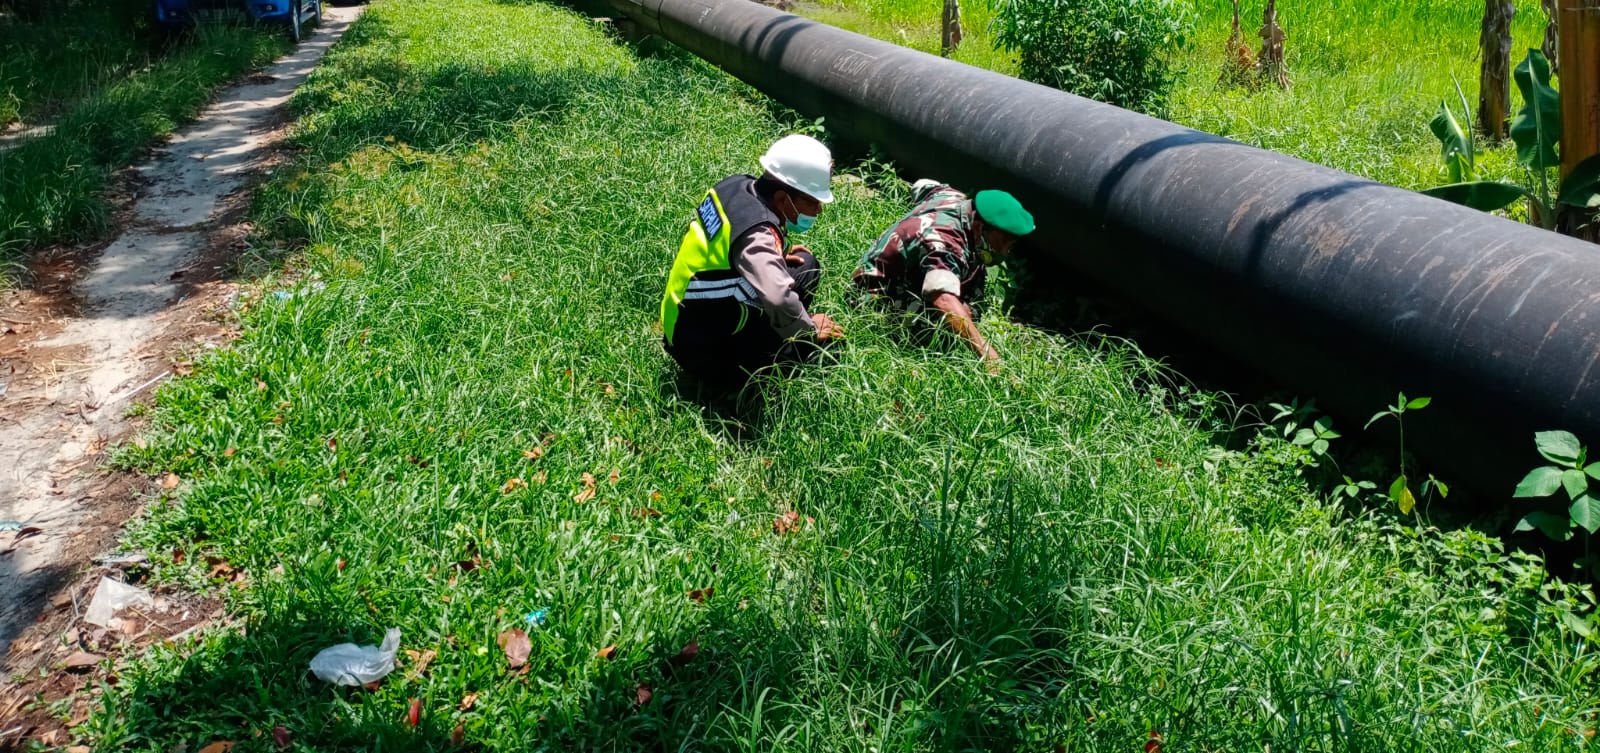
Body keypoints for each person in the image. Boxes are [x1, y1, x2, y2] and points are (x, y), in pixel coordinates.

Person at [660, 134, 844, 389]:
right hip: (700, 350)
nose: (818, 211)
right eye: (812, 201)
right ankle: (765, 368)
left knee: (806, 264)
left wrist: (778, 250)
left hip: (683, 316)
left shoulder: (737, 185)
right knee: (791, 309)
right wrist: (809, 330)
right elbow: (778, 297)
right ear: (782, 199)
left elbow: (730, 242)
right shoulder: (756, 239)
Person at [853, 179, 1034, 366]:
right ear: (980, 228)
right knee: (944, 328)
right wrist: (988, 355)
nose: (1004, 252)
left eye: (1010, 245)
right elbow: (943, 298)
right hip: (873, 295)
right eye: (1003, 243)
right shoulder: (945, 241)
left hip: (905, 273)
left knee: (972, 298)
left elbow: (923, 185)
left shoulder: (956, 198)